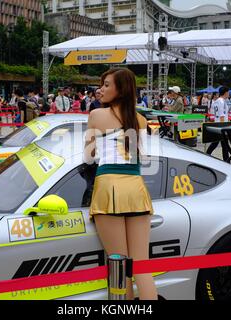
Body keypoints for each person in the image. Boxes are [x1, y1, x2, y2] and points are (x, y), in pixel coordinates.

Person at [84, 68, 157, 300]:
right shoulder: (141, 120)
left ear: (120, 89)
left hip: (109, 187)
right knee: (142, 267)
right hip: (136, 187)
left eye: (106, 85)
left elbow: (87, 157)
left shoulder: (97, 115)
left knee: (119, 265)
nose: (101, 90)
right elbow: (142, 157)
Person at [206, 86, 230, 161]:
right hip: (221, 125)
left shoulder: (217, 101)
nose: (229, 94)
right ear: (225, 93)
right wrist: (223, 127)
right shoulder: (221, 101)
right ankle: (226, 160)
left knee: (217, 143)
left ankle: (207, 155)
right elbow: (221, 115)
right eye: (228, 92)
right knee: (224, 144)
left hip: (217, 123)